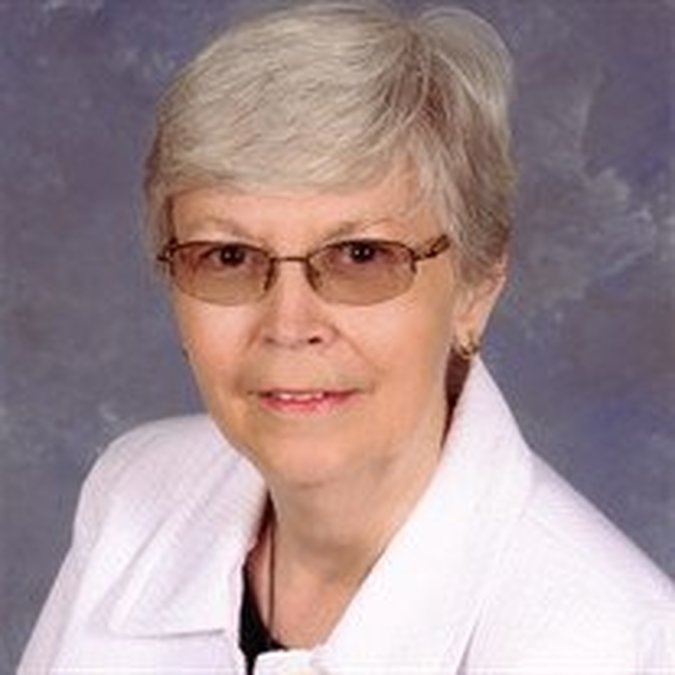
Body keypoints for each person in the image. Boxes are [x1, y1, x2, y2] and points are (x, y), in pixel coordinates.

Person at [19, 1, 674, 673]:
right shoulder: (134, 492)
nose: (288, 325)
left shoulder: (615, 645)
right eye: (228, 256)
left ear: (475, 288)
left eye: (361, 255)